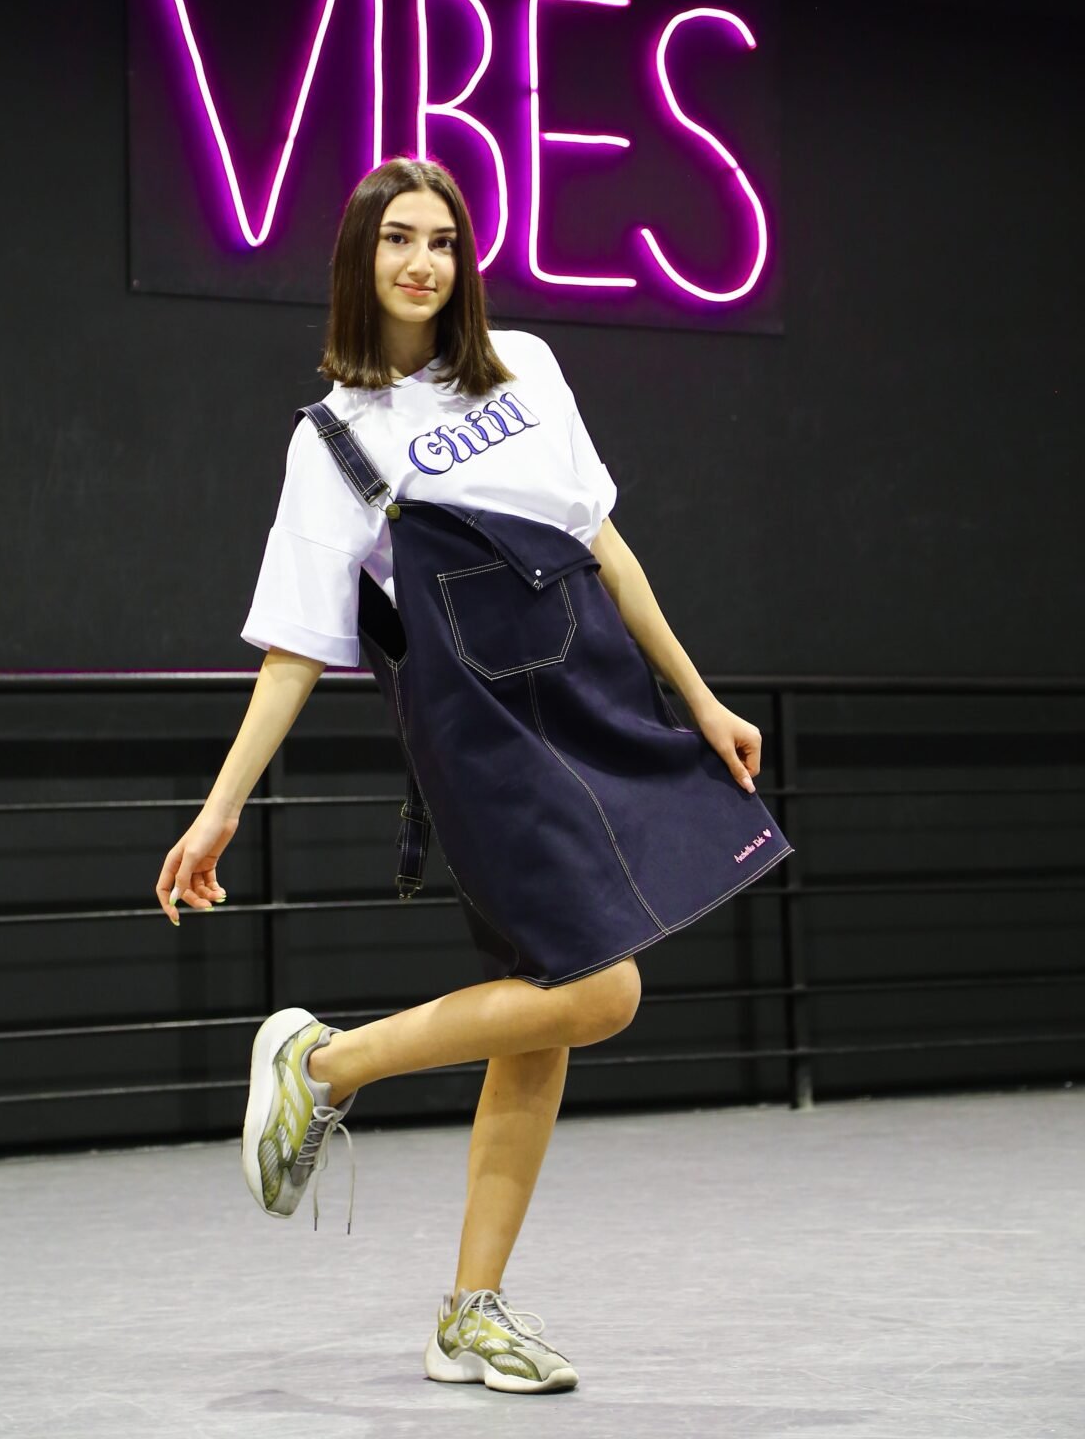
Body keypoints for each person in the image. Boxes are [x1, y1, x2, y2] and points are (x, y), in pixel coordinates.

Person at [155, 155, 789, 1395]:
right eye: (397, 238)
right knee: (600, 991)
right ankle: (320, 1067)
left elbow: (605, 548)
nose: (422, 262)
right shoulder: (334, 439)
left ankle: (469, 1312)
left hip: (590, 698)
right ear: (359, 257)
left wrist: (699, 697)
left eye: (442, 240)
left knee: (542, 1007)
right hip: (482, 743)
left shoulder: (528, 368)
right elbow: (296, 648)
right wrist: (220, 807)